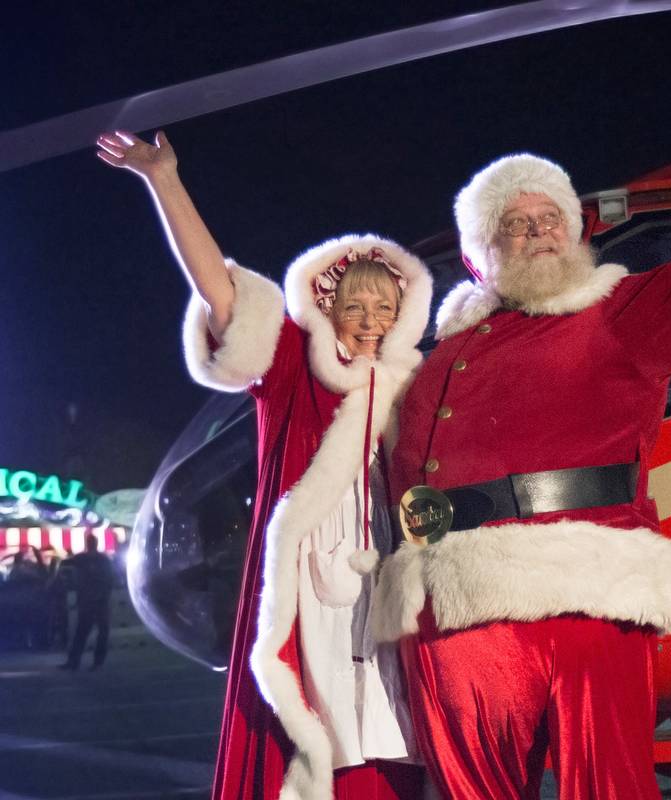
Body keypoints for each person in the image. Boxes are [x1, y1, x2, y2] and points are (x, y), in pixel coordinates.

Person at [371, 63, 671, 798]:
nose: (540, 234)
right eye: (517, 225)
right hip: (453, 609)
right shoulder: (444, 352)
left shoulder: (617, 312)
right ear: (483, 253)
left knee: (607, 787)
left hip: (582, 598)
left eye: (552, 220)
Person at [97, 130, 432, 800]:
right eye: (354, 305)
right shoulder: (291, 373)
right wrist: (165, 179)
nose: (369, 319)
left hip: (389, 598)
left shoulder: (422, 392)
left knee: (393, 750)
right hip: (304, 598)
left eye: (384, 307)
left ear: (404, 316)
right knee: (305, 751)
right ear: (327, 309)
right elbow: (222, 293)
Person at [59, 534, 113, 670]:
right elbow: (111, 578)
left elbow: (64, 564)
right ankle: (97, 662)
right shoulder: (103, 559)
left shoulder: (81, 558)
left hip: (88, 600)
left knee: (82, 632)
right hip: (100, 600)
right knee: (101, 632)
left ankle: (74, 662)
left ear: (87, 544)